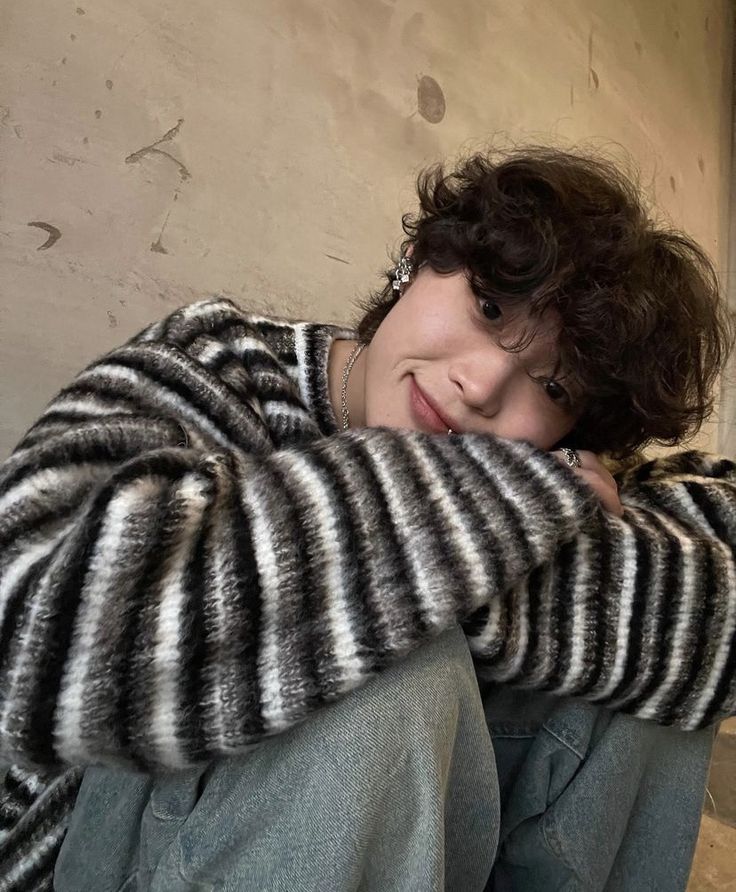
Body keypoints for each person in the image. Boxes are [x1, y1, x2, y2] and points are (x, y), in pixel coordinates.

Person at [0, 146, 734, 891]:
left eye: (551, 385)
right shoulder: (219, 367)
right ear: (417, 260)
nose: (480, 385)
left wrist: (533, 543)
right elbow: (25, 637)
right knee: (399, 660)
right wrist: (488, 521)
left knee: (655, 690)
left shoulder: (554, 464)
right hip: (86, 846)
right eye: (488, 308)